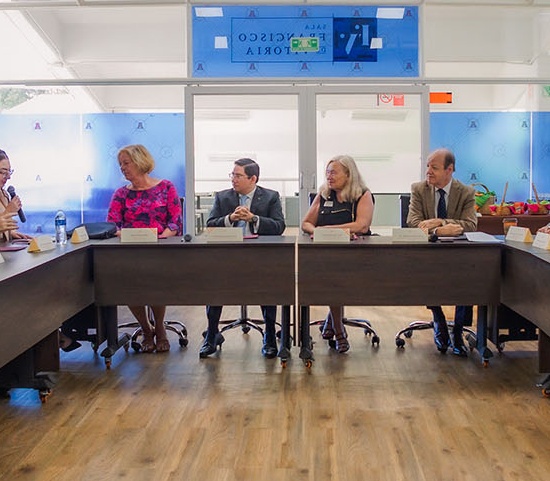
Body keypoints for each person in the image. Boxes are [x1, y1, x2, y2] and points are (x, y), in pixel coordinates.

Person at [199, 157, 287, 360]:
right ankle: (212, 335)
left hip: (260, 256)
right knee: (215, 285)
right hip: (227, 255)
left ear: (253, 178)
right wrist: (230, 219)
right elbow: (210, 225)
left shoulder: (270, 197)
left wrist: (253, 219)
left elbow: (278, 226)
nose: (233, 179)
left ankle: (270, 337)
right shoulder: (223, 197)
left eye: (238, 175)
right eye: (232, 175)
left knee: (267, 286)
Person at [109, 143, 183, 352]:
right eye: (120, 164)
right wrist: (125, 234)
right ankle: (145, 329)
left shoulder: (166, 187)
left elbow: (175, 222)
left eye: (126, 163)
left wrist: (162, 238)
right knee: (130, 286)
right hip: (130, 251)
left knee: (155, 284)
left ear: (140, 162)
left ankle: (160, 327)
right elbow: (112, 225)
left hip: (160, 249)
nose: (122, 168)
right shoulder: (120, 194)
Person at [406, 148, 479, 354]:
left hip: (458, 254)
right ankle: (438, 318)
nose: (428, 171)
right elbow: (413, 223)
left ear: (450, 170)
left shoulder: (465, 192)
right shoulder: (419, 189)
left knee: (471, 273)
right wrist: (439, 230)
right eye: (428, 165)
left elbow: (470, 225)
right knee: (429, 273)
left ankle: (457, 330)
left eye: (434, 167)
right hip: (428, 253)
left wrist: (440, 220)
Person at [301, 154, 374, 353]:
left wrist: (330, 229)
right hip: (325, 252)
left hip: (355, 254)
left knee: (335, 281)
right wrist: (318, 231)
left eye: (334, 172)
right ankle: (336, 326)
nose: (329, 177)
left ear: (349, 174)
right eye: (327, 172)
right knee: (332, 280)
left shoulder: (362, 194)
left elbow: (362, 225)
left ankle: (337, 329)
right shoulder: (324, 194)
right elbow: (306, 223)